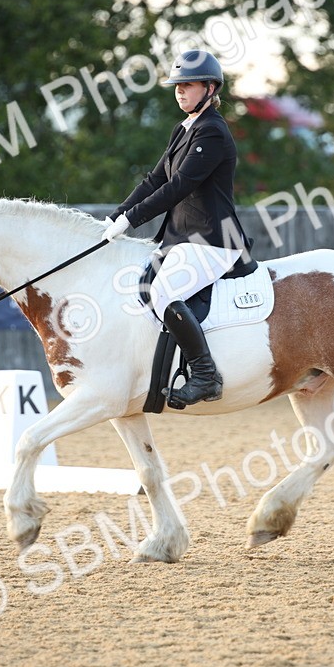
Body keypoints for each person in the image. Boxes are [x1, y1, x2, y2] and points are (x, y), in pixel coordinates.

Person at [102, 49, 252, 408]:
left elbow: (178, 187)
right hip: (181, 239)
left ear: (210, 88)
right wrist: (116, 215)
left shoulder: (213, 131)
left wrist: (132, 220)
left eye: (188, 85)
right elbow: (155, 179)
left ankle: (204, 375)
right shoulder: (184, 128)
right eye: (176, 85)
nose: (179, 91)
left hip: (214, 240)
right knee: (140, 287)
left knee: (166, 294)